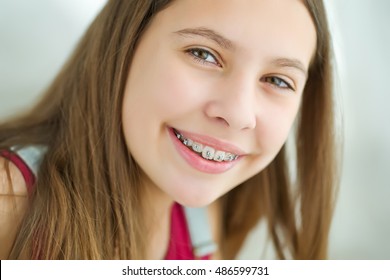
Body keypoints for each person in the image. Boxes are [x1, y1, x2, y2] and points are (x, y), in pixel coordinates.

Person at [0, 0, 339, 260]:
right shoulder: (11, 201)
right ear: (126, 42)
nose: (238, 114)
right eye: (203, 54)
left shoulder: (206, 216)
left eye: (278, 80)